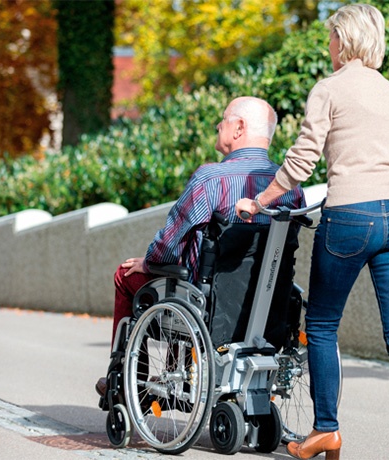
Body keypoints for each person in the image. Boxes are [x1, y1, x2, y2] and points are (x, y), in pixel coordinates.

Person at [236, 4, 389, 460]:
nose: (328, 46)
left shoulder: (329, 90)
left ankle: (326, 431)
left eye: (332, 37)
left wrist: (258, 202)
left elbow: (302, 161)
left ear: (346, 40)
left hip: (350, 219)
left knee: (321, 325)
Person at [95, 96, 305, 396]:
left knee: (128, 275)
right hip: (270, 303)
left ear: (239, 128)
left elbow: (170, 241)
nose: (219, 125)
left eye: (224, 119)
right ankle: (171, 371)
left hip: (210, 303)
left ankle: (126, 382)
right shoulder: (290, 187)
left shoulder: (211, 179)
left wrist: (149, 261)